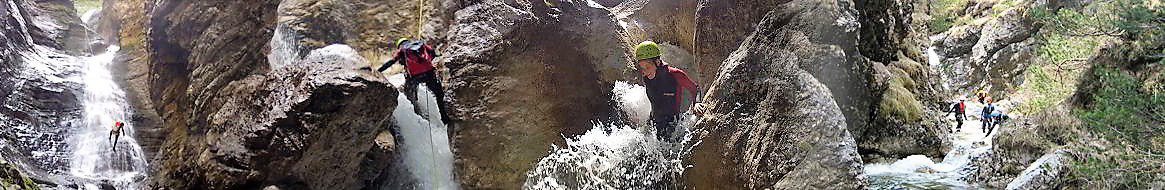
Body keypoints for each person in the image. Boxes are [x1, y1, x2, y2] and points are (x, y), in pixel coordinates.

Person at [634, 41, 705, 142]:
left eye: (647, 67)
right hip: (653, 123)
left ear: (657, 62)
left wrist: (697, 103)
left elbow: (695, 89)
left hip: (672, 127)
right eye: (642, 68)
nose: (644, 71)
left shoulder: (675, 74)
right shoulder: (647, 76)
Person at [377, 38, 452, 125]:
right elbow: (433, 53)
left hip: (414, 77)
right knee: (439, 94)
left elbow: (392, 61)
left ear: (399, 45)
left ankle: (416, 114)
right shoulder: (421, 44)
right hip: (429, 74)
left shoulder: (402, 49)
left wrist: (378, 71)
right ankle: (445, 118)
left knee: (410, 95)